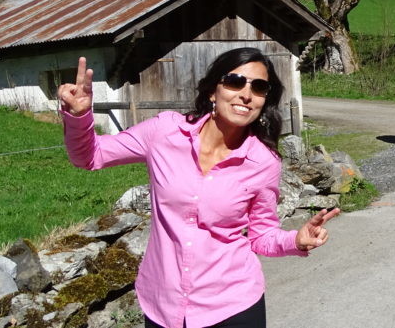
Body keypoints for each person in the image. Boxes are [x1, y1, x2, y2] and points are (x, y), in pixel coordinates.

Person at [58, 47, 339, 328]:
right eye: (234, 81)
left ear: (264, 101)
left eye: (259, 87)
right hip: (163, 304)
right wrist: (79, 116)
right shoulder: (164, 132)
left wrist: (295, 241)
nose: (246, 94)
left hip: (232, 305)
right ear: (212, 91)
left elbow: (260, 234)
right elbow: (91, 156)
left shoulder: (263, 162)